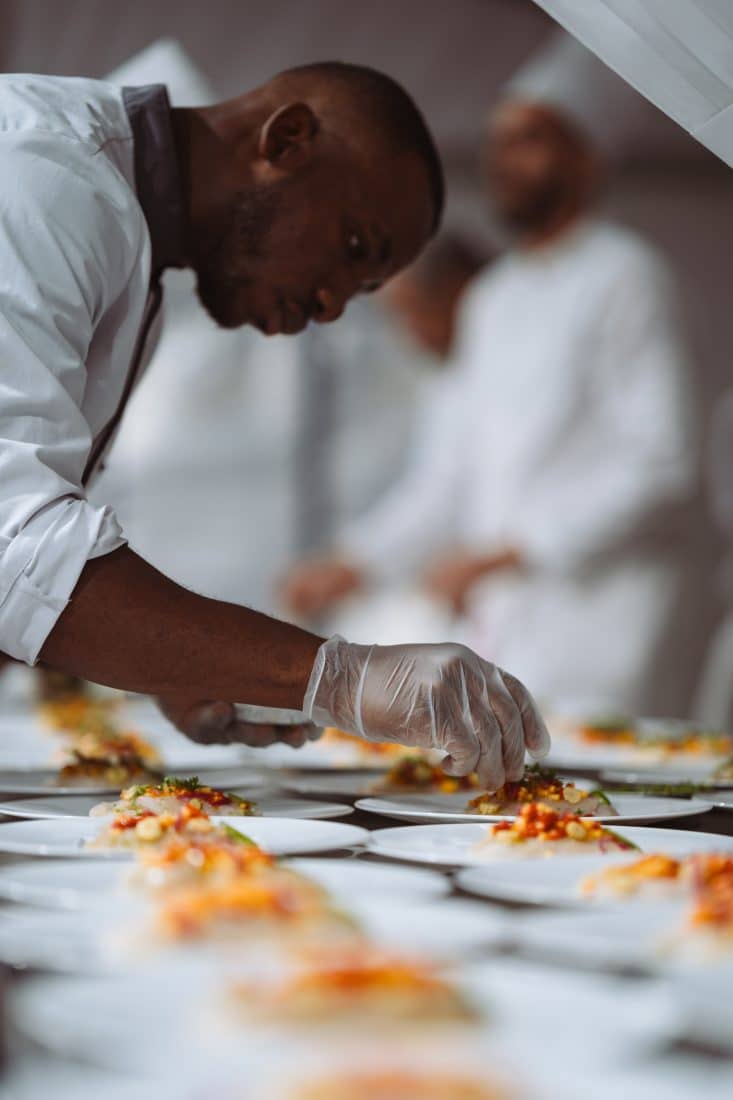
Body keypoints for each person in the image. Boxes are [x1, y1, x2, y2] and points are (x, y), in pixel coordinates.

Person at [0, 62, 549, 788]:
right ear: (285, 139)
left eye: (363, 290)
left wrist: (174, 662)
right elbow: (15, 537)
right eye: (354, 249)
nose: (329, 305)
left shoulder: (134, 257)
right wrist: (334, 675)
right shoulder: (44, 177)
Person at [283, 91, 703, 716]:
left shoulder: (626, 274)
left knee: (608, 799)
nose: (505, 160)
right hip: (512, 616)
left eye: (530, 139)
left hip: (609, 615)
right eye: (499, 142)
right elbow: (448, 478)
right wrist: (355, 561)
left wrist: (508, 551)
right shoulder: (494, 299)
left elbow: (664, 465)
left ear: (585, 159)